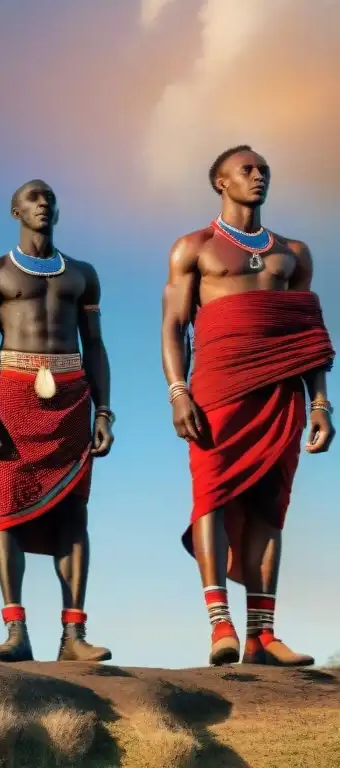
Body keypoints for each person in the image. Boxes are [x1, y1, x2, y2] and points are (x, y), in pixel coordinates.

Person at [161, 146, 334, 667]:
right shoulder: (194, 248)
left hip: (281, 393)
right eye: (247, 170)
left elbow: (309, 335)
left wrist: (321, 403)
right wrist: (178, 391)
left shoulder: (293, 254)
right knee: (212, 495)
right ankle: (221, 626)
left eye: (264, 171)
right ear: (220, 182)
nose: (258, 177)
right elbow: (173, 325)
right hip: (217, 389)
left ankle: (262, 634)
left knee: (269, 503)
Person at [0, 179, 114, 664]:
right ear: (15, 210)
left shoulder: (83, 275)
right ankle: (15, 631)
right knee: (7, 508)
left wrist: (105, 410)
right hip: (13, 396)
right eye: (32, 198)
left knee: (74, 512)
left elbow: (94, 344)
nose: (43, 203)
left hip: (73, 397)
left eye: (49, 197)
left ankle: (74, 636)